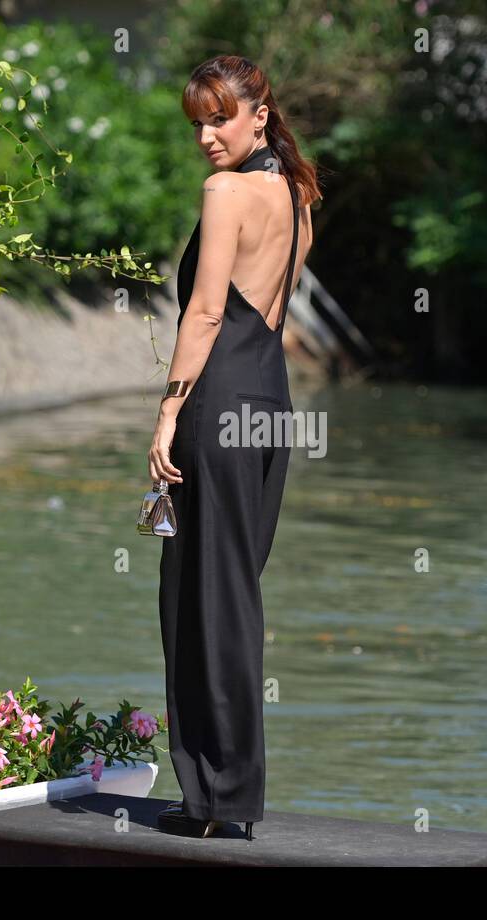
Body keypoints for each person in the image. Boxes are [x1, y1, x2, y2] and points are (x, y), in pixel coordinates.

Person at [149, 54, 321, 840]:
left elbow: (208, 312)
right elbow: (273, 307)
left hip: (217, 402)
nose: (207, 137)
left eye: (220, 118)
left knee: (198, 596)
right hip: (270, 405)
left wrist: (167, 411)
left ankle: (217, 798)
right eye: (198, 122)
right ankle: (226, 795)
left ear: (259, 113)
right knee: (233, 593)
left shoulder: (225, 193)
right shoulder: (298, 195)